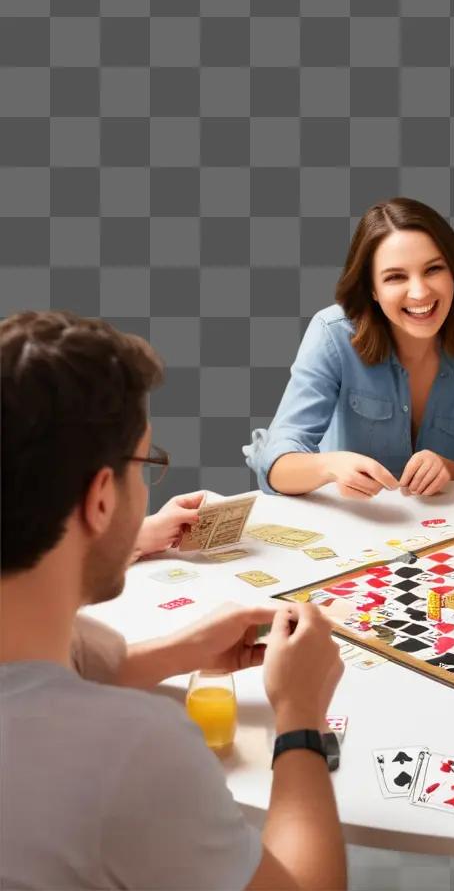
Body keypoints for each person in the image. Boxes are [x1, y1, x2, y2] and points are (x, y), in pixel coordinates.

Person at [0, 311, 347, 890]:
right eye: (144, 466)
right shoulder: (133, 750)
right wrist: (300, 718)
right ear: (101, 498)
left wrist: (184, 648)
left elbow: (47, 678)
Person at [245, 198, 454, 500]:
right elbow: (275, 464)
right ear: (372, 289)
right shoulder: (331, 334)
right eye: (395, 277)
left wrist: (448, 470)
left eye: (433, 270)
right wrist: (331, 466)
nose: (419, 292)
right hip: (348, 524)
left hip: (444, 529)